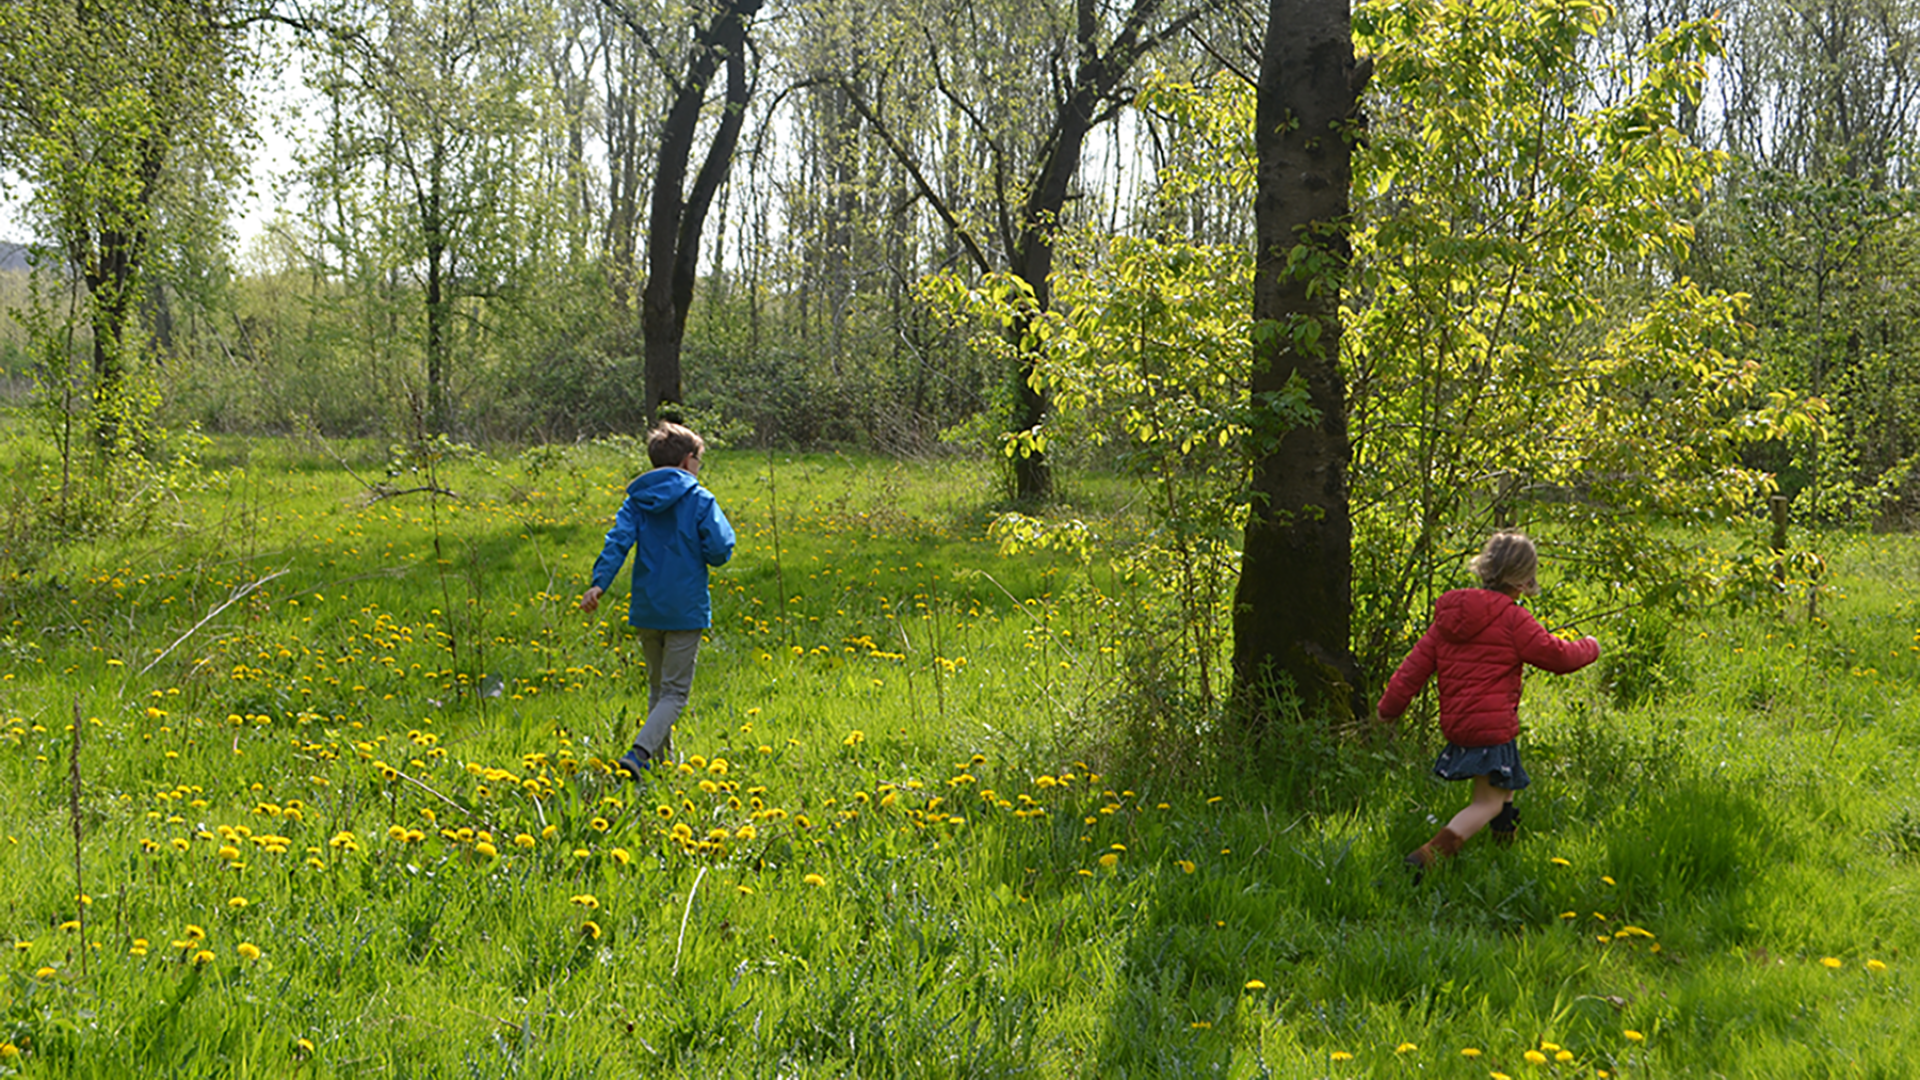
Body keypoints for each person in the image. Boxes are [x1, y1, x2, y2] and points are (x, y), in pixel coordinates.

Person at [1376, 531, 1599, 876]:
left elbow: (1411, 671)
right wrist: (1590, 646)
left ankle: (1502, 854)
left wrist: (1389, 709)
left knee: (1504, 784)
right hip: (1492, 726)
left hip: (1460, 724)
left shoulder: (1447, 621)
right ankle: (1426, 858)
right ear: (1525, 580)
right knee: (1488, 802)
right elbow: (1558, 657)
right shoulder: (1513, 620)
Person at [580, 422, 735, 779]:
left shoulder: (638, 501)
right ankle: (637, 755)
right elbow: (721, 549)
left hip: (647, 607)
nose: (699, 467)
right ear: (686, 461)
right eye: (699, 460)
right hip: (685, 609)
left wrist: (598, 585)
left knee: (658, 688)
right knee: (676, 693)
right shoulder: (699, 499)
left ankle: (660, 765)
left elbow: (617, 542)